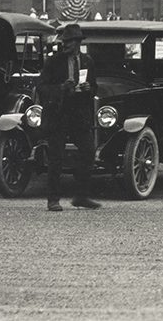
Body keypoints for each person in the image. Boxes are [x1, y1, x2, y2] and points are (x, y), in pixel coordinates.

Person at [38, 23, 101, 211]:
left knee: (89, 151)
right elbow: (41, 87)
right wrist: (61, 89)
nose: (65, 45)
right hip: (58, 113)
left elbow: (94, 86)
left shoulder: (88, 61)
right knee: (56, 156)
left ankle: (81, 196)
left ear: (78, 43)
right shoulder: (53, 61)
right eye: (64, 42)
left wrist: (90, 89)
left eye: (69, 42)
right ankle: (53, 199)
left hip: (78, 114)